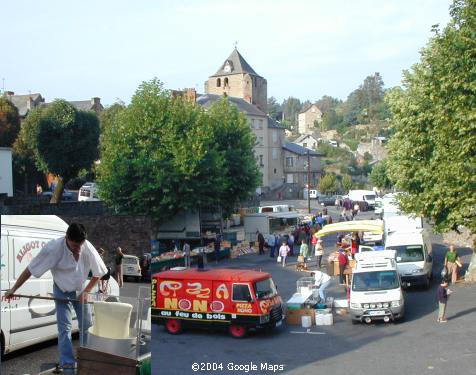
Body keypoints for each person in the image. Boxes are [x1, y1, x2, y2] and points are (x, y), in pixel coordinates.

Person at [4, 223, 107, 371]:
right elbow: (30, 269)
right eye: (74, 246)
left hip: (81, 289)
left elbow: (99, 272)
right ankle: (68, 365)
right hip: (61, 289)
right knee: (64, 328)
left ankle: (87, 360)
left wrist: (87, 291)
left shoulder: (87, 246)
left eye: (80, 245)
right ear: (67, 238)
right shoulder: (53, 248)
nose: (78, 249)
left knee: (87, 325)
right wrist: (14, 288)